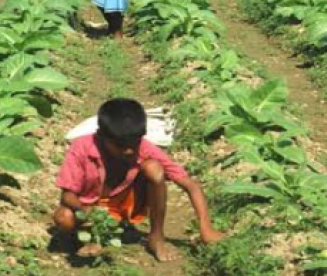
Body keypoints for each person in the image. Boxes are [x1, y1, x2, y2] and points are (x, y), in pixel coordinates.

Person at [53, 98, 224, 262]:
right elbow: (67, 196)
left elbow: (191, 185)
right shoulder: (82, 148)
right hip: (89, 208)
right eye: (120, 146)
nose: (128, 151)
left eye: (133, 145)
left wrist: (205, 228)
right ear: (101, 136)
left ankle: (156, 237)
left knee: (154, 169)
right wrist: (89, 214)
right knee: (64, 217)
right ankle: (86, 237)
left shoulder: (144, 148)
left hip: (126, 205)